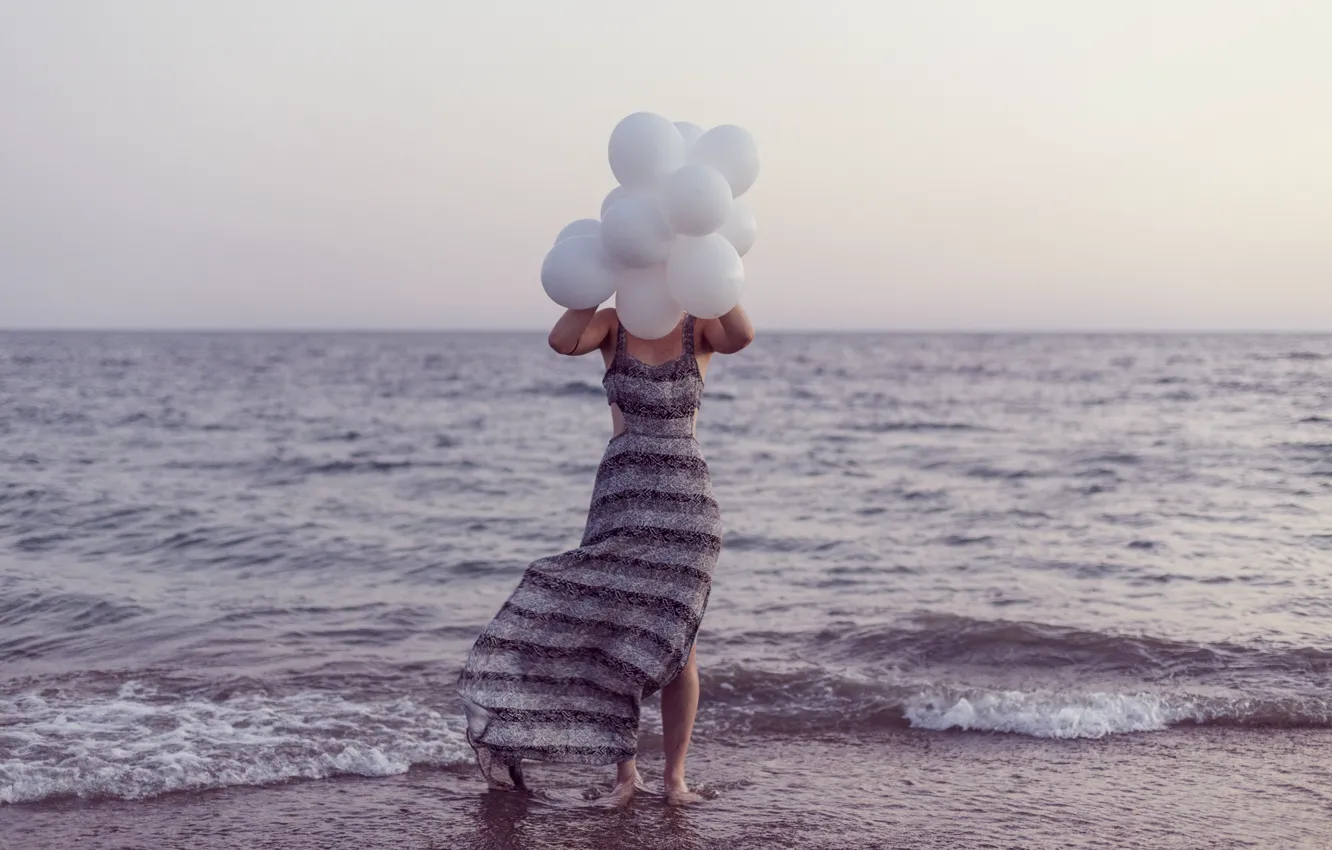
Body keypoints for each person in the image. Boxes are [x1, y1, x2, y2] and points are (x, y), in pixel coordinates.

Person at [457, 303, 755, 806]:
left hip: (687, 506)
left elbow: (742, 335)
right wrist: (587, 287)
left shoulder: (699, 322)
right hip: (621, 500)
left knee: (681, 648)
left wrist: (714, 279)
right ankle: (625, 778)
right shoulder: (612, 323)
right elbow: (561, 341)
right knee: (616, 638)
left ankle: (675, 780)